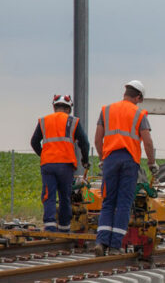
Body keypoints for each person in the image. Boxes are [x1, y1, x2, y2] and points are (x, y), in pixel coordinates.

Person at [93, 80, 158, 256]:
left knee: (107, 202)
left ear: (125, 93)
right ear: (138, 97)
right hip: (129, 161)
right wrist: (152, 163)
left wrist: (102, 158)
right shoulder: (139, 113)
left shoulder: (106, 110)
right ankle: (115, 246)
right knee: (123, 204)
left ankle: (101, 241)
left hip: (110, 160)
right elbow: (148, 142)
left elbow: (98, 139)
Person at [30, 94, 90, 232]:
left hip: (48, 165)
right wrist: (85, 160)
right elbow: (84, 143)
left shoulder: (43, 121)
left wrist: (43, 154)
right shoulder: (73, 121)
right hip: (66, 165)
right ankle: (64, 227)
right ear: (69, 108)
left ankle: (50, 225)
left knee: (48, 194)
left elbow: (34, 142)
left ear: (54, 107)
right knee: (65, 195)